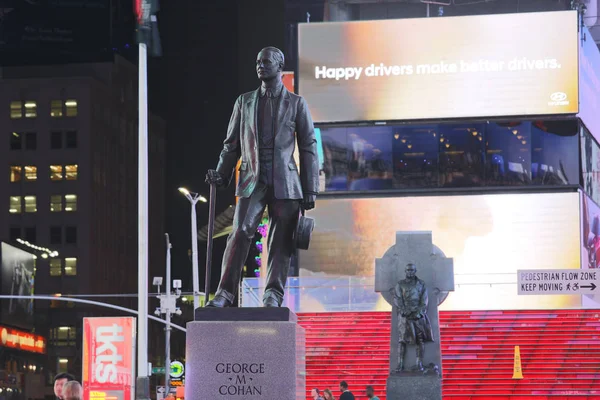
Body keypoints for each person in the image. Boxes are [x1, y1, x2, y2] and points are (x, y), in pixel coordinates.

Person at [205, 46, 319, 308]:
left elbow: (309, 146)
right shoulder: (244, 102)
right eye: (258, 62)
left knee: (280, 241)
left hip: (286, 183)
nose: (260, 66)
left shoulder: (297, 103)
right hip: (251, 180)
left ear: (279, 66)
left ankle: (273, 295)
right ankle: (224, 293)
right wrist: (221, 175)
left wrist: (310, 188)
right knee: (240, 232)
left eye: (266, 62)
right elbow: (231, 145)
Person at [392, 263, 434, 372]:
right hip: (404, 316)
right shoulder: (400, 284)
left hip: (417, 315)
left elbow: (424, 300)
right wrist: (404, 310)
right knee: (402, 340)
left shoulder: (421, 284)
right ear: (405, 271)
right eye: (408, 270)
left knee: (420, 340)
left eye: (412, 270)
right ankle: (400, 364)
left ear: (415, 271)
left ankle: (419, 363)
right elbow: (398, 299)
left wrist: (419, 312)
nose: (410, 272)